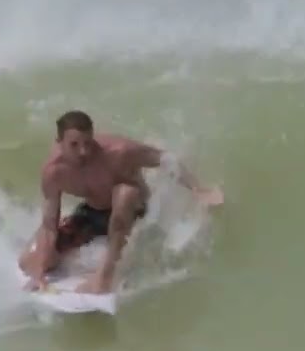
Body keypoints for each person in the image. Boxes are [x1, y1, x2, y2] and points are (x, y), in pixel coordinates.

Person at [18, 110, 223, 294]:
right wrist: (40, 271)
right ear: (59, 142)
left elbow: (164, 159)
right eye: (74, 145)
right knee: (28, 262)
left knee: (124, 193)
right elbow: (49, 223)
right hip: (93, 213)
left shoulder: (118, 152)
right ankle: (69, 263)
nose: (83, 151)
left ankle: (104, 276)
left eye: (88, 143)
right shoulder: (54, 172)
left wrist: (199, 190)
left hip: (134, 212)